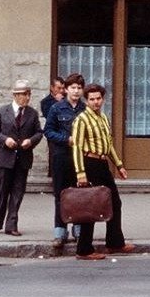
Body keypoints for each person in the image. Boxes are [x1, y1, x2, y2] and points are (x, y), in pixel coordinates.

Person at [71, 83, 136, 260]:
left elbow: (108, 145)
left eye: (98, 99)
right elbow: (76, 147)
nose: (95, 102)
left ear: (103, 99)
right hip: (88, 163)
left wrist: (119, 165)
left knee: (114, 202)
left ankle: (115, 242)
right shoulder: (81, 120)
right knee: (90, 207)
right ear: (86, 100)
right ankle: (84, 249)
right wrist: (80, 172)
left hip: (102, 164)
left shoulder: (104, 118)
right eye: (92, 99)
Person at [0, 79, 43, 236]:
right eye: (24, 95)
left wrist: (30, 141)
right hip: (4, 159)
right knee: (1, 192)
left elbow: (39, 132)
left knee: (17, 192)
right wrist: (5, 140)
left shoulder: (32, 113)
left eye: (28, 94)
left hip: (22, 159)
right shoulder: (2, 111)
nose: (27, 98)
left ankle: (11, 225)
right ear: (16, 96)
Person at [43, 72, 87, 249]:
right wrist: (65, 139)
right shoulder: (57, 108)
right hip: (62, 156)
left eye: (79, 88)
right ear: (67, 89)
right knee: (61, 194)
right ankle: (60, 231)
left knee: (79, 194)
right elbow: (48, 131)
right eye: (73, 88)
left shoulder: (85, 109)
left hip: (81, 158)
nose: (76, 91)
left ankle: (78, 230)